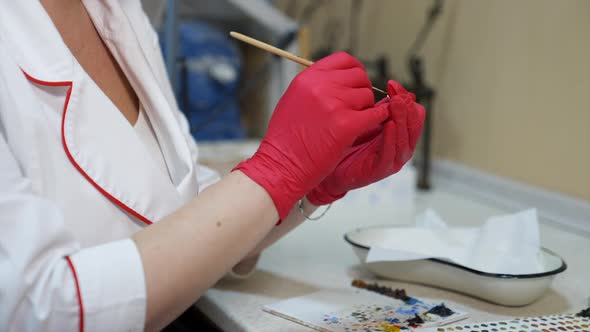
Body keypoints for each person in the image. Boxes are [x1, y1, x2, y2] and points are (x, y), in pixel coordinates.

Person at [0, 1, 425, 331]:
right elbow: (40, 309)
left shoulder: (118, 13)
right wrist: (277, 171)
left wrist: (315, 183)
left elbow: (182, 213)